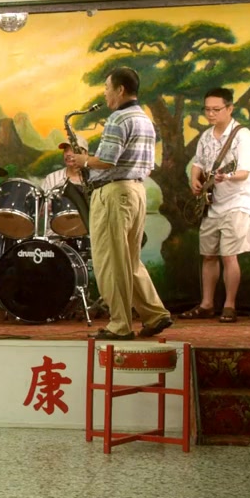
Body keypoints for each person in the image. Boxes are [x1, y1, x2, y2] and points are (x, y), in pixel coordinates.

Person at [67, 67, 173, 340]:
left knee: (111, 261)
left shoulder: (118, 118)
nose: (105, 93)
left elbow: (107, 160)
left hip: (114, 193)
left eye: (107, 87)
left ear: (120, 90)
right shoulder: (144, 118)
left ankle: (119, 325)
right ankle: (155, 314)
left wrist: (83, 160)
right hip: (136, 191)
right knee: (130, 260)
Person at [179, 87, 250, 324]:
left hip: (237, 201)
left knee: (229, 255)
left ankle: (229, 305)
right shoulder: (206, 136)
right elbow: (198, 163)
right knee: (208, 255)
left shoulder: (243, 136)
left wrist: (228, 176)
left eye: (216, 109)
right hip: (212, 202)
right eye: (207, 110)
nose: (211, 114)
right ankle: (206, 304)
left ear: (230, 108)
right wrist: (194, 179)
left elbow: (245, 171)